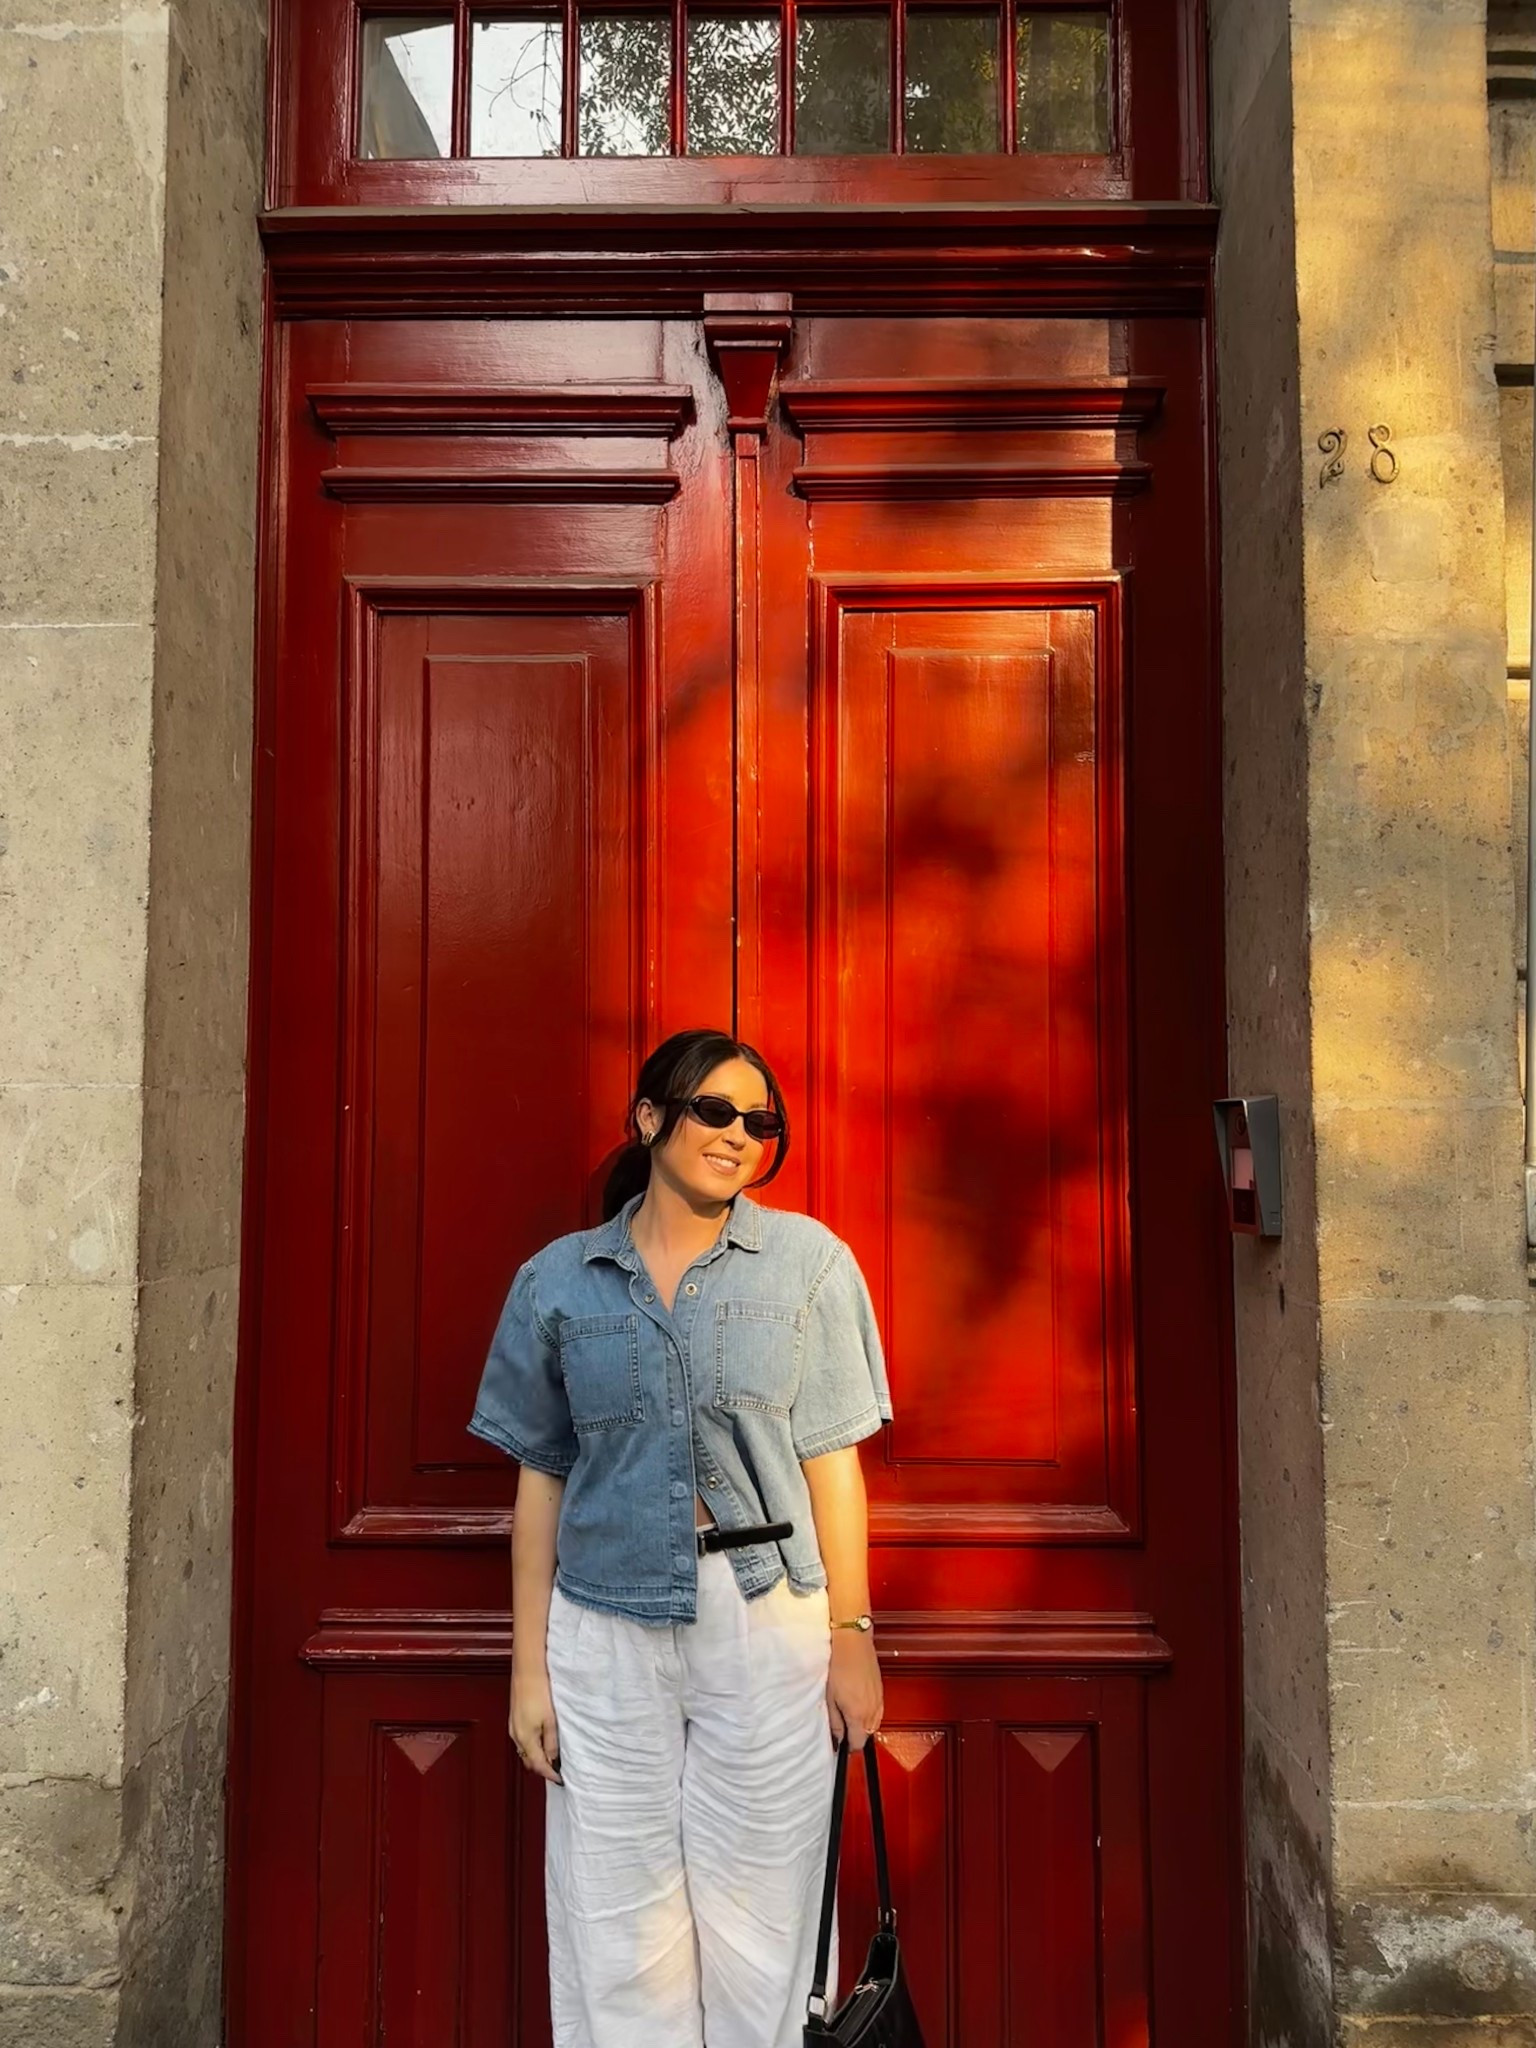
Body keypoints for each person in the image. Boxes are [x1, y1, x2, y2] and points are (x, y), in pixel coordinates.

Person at [468, 1027, 893, 2048]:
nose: (739, 1134)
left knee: (767, 1918)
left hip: (766, 1618)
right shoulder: (559, 1281)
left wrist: (853, 1634)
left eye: (760, 1120)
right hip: (603, 1623)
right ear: (649, 1118)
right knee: (617, 1918)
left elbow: (833, 1464)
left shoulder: (809, 1265)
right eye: (714, 1110)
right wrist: (528, 1671)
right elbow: (540, 1478)